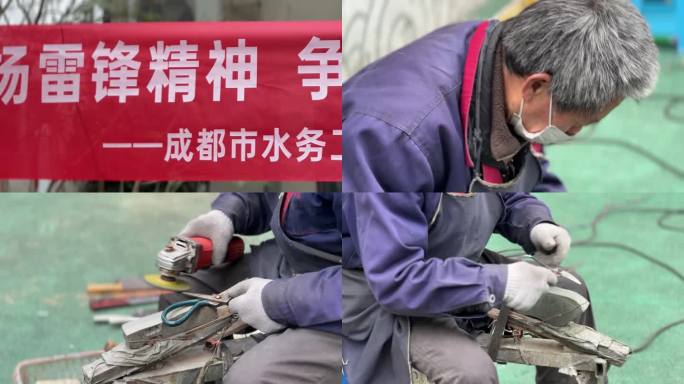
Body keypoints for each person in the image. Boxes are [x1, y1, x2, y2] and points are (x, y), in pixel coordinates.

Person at [342, 0, 658, 192]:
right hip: (334, 269)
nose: (574, 133)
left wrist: (535, 221)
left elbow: (520, 166)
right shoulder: (395, 136)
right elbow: (390, 272)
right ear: (536, 86)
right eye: (578, 123)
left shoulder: (504, 65)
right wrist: (500, 284)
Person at [342, 192, 595, 384]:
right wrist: (497, 282)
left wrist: (534, 223)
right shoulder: (392, 151)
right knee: (470, 374)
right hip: (385, 295)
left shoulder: (474, 135)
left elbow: (504, 192)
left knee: (569, 296)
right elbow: (398, 279)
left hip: (460, 267)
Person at [161, 192, 343, 384]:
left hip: (352, 306)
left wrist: (276, 301)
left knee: (250, 378)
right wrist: (229, 211)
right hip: (293, 262)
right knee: (182, 299)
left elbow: (369, 283)